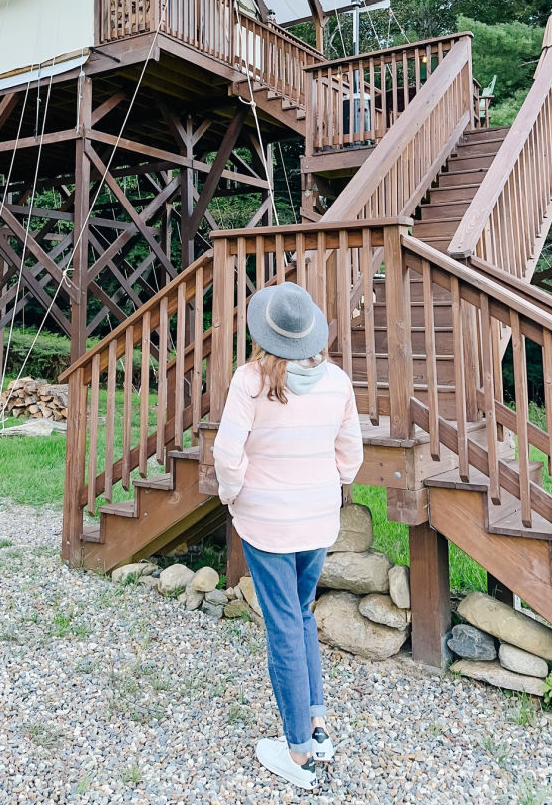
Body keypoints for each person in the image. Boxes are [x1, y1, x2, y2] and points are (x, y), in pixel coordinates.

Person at [213, 281, 363, 791]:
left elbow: (227, 455)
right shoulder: (338, 381)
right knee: (300, 613)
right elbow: (351, 455)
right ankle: (316, 725)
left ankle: (298, 753)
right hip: (317, 517)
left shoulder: (250, 380)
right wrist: (333, 486)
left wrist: (232, 495)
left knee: (282, 623)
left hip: (267, 520)